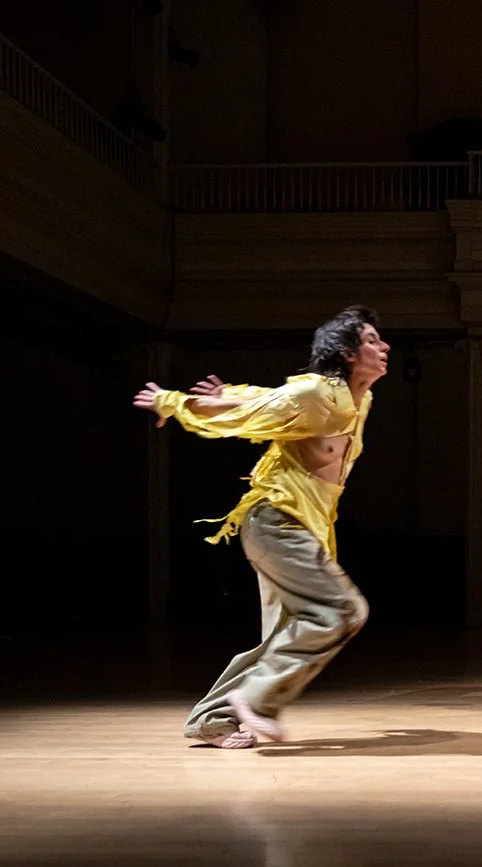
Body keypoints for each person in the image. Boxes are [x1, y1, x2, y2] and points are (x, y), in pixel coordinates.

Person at [133, 306, 390, 749]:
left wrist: (232, 390)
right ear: (347, 353)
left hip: (302, 529)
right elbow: (249, 413)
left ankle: (211, 720)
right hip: (276, 520)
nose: (383, 346)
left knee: (286, 632)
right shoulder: (316, 393)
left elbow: (264, 397)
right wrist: (174, 402)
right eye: (371, 340)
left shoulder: (358, 400)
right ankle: (255, 699)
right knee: (342, 612)